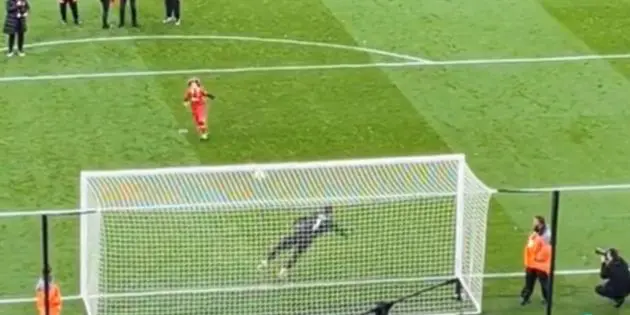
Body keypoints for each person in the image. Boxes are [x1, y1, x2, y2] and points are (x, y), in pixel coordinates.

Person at [257, 205, 347, 278]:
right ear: (330, 213)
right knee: (295, 254)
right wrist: (343, 234)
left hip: (298, 234)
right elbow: (336, 229)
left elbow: (303, 219)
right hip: (307, 239)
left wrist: (296, 223)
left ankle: (265, 262)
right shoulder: (329, 222)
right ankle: (283, 270)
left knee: (281, 247)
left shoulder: (317, 215)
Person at [520, 215, 551, 305]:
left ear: (540, 223)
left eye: (535, 221)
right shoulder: (535, 235)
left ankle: (546, 299)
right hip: (532, 263)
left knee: (543, 283)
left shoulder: (543, 236)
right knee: (530, 283)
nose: (533, 223)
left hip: (539, 264)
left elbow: (542, 249)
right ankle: (524, 298)